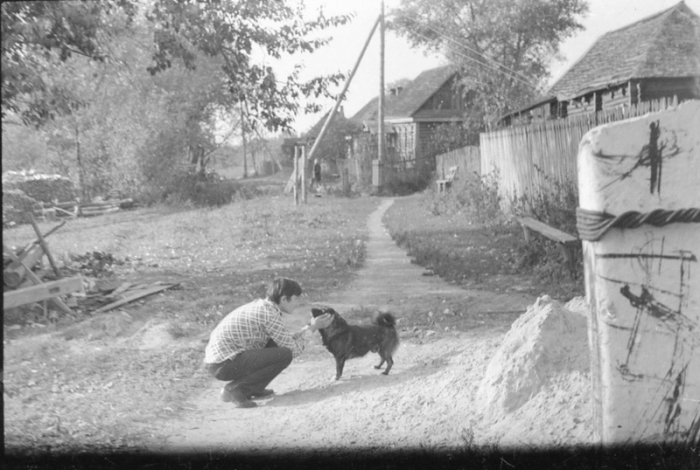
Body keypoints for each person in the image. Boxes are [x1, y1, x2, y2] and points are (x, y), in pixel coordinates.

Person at [203, 277, 332, 408]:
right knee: (285, 354)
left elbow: (285, 341)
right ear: (284, 299)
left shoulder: (266, 308)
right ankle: (236, 390)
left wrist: (309, 327)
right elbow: (293, 351)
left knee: (278, 347)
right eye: (296, 299)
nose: (298, 303)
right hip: (222, 364)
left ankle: (253, 388)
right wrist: (313, 328)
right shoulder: (268, 314)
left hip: (223, 361)